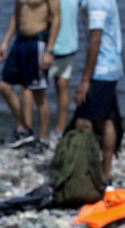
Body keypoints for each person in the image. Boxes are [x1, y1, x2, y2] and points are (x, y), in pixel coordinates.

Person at [0, 0, 61, 151]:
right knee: (3, 86)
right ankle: (25, 128)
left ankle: (43, 138)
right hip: (20, 40)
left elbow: (57, 18)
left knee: (38, 93)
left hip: (38, 41)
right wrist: (5, 41)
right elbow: (16, 15)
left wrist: (49, 50)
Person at [74, 0, 124, 185]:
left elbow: (96, 39)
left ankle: (91, 174)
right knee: (106, 120)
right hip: (109, 67)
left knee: (85, 121)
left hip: (101, 70)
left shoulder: (96, 3)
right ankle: (105, 174)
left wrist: (85, 79)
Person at [48, 0, 80, 137]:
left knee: (34, 90)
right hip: (70, 44)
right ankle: (60, 128)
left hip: (53, 46)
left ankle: (32, 129)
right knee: (63, 85)